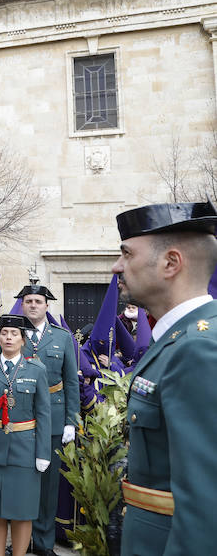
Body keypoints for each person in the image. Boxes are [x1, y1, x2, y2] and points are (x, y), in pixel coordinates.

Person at [111, 201, 217, 556]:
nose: (117, 266)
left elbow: (205, 507)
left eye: (126, 254)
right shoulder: (179, 340)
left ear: (171, 263)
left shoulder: (197, 350)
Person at [0, 314, 52, 556]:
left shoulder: (37, 370)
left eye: (14, 334)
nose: (9, 338)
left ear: (23, 340)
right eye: (4, 333)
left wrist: (43, 452)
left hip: (25, 451)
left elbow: (44, 414)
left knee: (23, 511)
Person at [16, 283, 78, 556]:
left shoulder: (63, 338)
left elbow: (72, 381)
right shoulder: (10, 334)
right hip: (21, 418)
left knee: (49, 484)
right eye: (28, 300)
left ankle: (43, 543)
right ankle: (21, 540)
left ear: (47, 305)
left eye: (37, 301)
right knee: (21, 481)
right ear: (22, 304)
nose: (32, 305)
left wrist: (70, 421)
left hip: (53, 415)